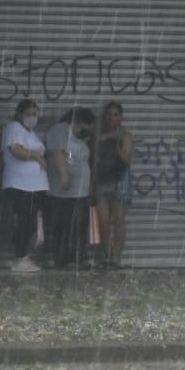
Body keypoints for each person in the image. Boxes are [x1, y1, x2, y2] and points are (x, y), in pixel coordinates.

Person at [45, 106, 97, 270]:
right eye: (86, 127)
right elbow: (57, 153)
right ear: (80, 122)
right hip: (63, 191)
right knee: (62, 225)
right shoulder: (61, 129)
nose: (87, 131)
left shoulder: (79, 138)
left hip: (79, 192)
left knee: (78, 226)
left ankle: (76, 258)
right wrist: (64, 175)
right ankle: (60, 259)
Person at [1, 99, 49, 273]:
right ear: (20, 114)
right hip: (21, 185)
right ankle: (20, 257)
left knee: (30, 222)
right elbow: (16, 150)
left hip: (33, 187)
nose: (32, 118)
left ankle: (24, 256)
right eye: (29, 114)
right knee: (24, 222)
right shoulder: (14, 127)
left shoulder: (31, 133)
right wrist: (37, 157)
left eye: (35, 114)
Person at [93, 101, 134, 269]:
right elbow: (93, 157)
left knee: (118, 220)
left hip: (120, 179)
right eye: (109, 115)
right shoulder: (99, 134)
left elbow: (127, 159)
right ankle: (106, 255)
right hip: (102, 180)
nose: (112, 118)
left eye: (116, 114)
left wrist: (116, 142)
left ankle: (116, 258)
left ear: (121, 117)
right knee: (103, 221)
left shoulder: (125, 135)